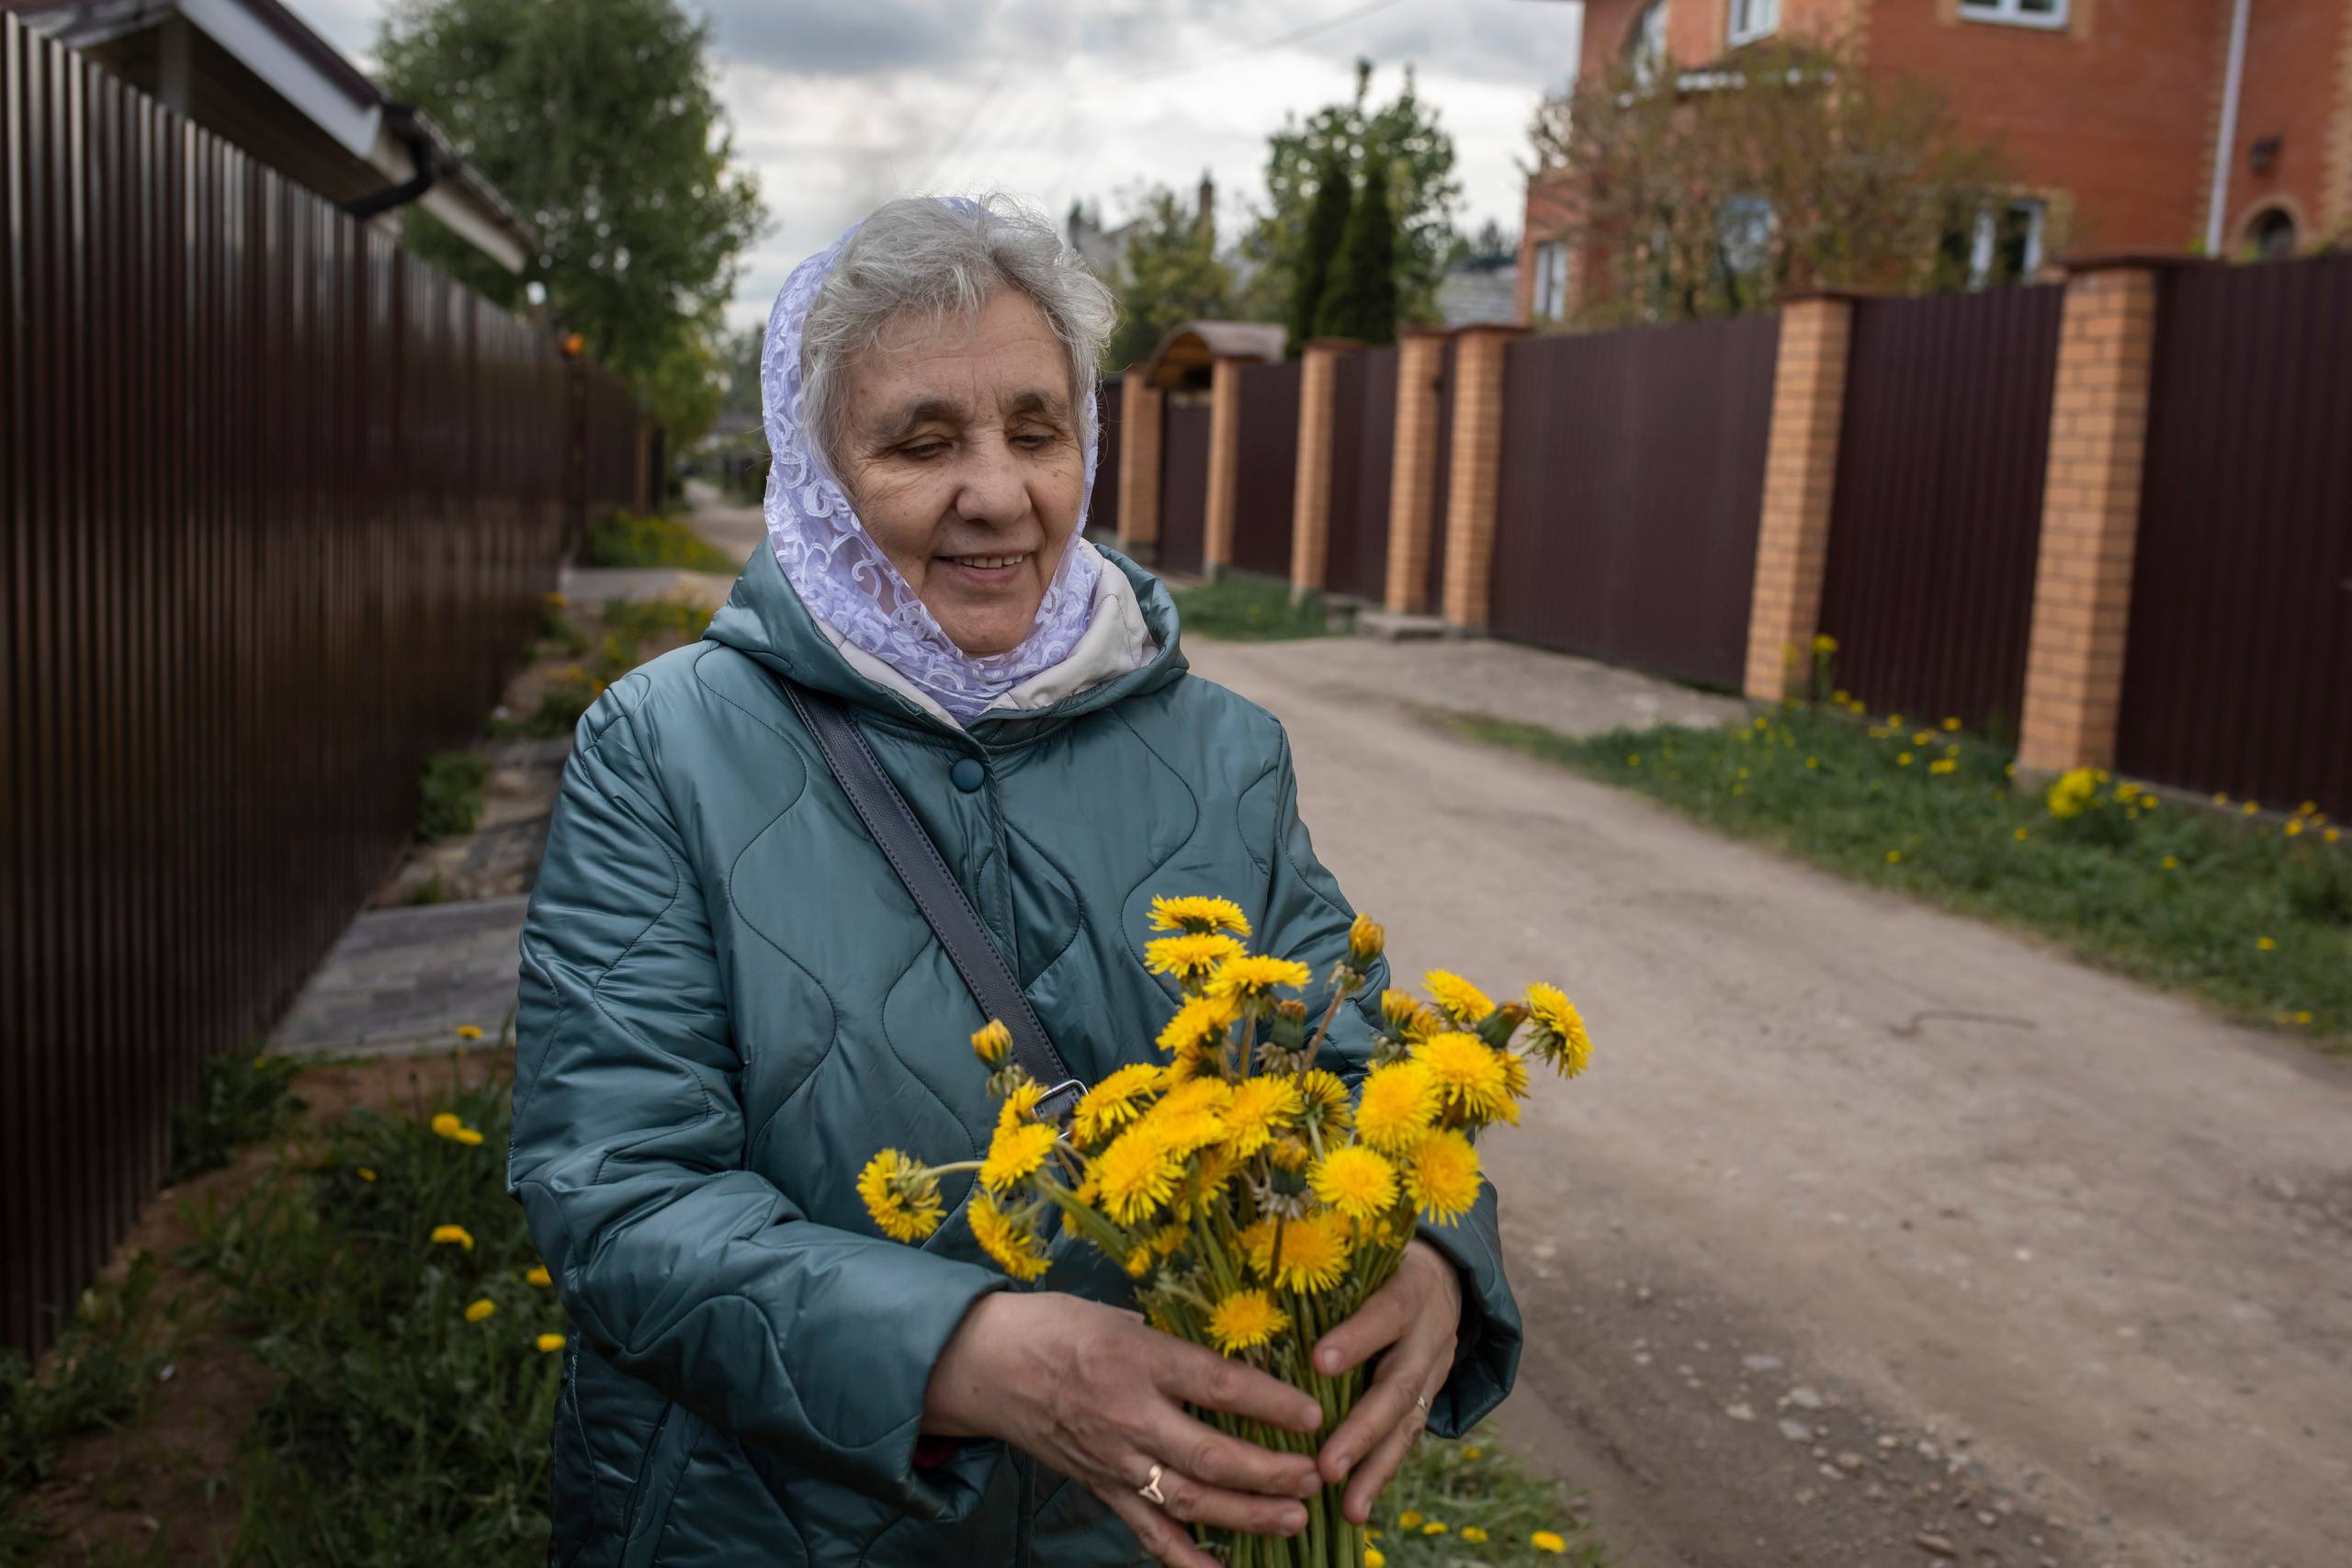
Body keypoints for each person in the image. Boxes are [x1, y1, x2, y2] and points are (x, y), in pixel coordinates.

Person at [510, 195, 1520, 1567]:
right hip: (767, 1527)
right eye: (923, 442)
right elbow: (621, 1196)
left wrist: (1437, 1248)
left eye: (1036, 430)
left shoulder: (1224, 754)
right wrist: (972, 1355)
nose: (998, 490)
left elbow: (1349, 1056)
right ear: (818, 468)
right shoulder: (663, 752)